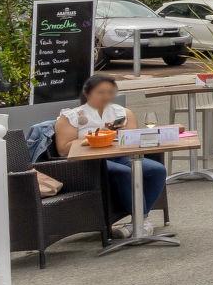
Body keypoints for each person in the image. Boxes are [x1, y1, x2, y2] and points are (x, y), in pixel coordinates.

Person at [53, 73, 166, 232]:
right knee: (125, 172)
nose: (106, 96)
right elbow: (64, 149)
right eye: (101, 92)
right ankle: (141, 224)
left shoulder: (123, 113)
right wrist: (96, 136)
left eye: (110, 92)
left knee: (157, 170)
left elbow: (133, 140)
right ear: (88, 93)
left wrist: (120, 133)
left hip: (119, 156)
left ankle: (139, 221)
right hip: (89, 162)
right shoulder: (71, 117)